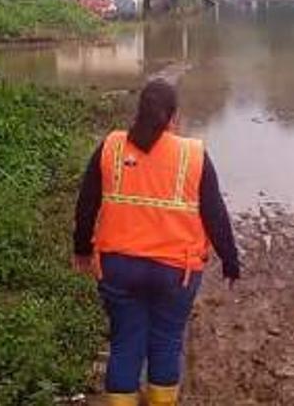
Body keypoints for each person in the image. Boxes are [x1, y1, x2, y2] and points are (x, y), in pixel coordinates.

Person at [73, 79, 241, 406]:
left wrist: (81, 247)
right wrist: (230, 261)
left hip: (118, 267)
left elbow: (87, 201)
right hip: (176, 272)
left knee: (125, 343)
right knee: (165, 342)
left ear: (139, 112)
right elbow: (215, 215)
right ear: (173, 117)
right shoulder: (193, 154)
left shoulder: (111, 146)